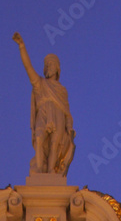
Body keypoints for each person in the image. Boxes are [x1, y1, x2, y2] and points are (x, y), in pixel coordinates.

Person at [13, 33, 75, 177]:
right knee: (39, 137)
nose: (48, 67)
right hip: (43, 112)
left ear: (57, 68)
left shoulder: (62, 90)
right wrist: (22, 47)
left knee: (55, 144)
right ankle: (40, 169)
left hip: (59, 114)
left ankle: (51, 172)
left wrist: (69, 126)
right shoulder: (40, 84)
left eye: (51, 64)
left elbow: (67, 111)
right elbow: (28, 68)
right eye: (46, 65)